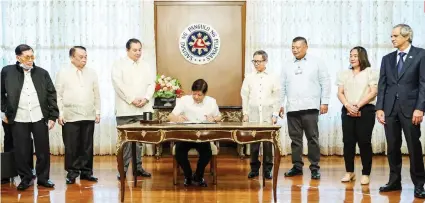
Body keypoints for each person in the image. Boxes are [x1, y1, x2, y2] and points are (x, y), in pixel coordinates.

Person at [376, 24, 425, 198]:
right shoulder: (387, 58)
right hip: (389, 110)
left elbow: (423, 84)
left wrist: (420, 108)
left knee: (414, 147)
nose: (392, 39)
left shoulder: (420, 54)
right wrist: (379, 108)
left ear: (407, 36)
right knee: (392, 147)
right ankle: (394, 181)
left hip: (411, 110)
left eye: (395, 36)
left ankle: (419, 184)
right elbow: (382, 85)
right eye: (391, 36)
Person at [1, 44, 58, 190]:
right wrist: (4, 111)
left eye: (32, 56)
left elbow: (52, 94)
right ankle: (26, 178)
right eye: (27, 57)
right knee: (22, 150)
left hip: (39, 116)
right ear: (18, 57)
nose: (30, 60)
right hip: (18, 117)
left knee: (42, 149)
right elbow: (1, 94)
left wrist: (53, 116)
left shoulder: (42, 73)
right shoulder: (7, 71)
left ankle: (43, 178)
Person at [280, 37, 330, 180]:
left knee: (312, 138)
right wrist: (280, 104)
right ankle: (297, 167)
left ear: (306, 47)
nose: (294, 50)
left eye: (298, 47)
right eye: (292, 47)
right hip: (292, 108)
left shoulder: (317, 62)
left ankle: (314, 168)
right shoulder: (287, 65)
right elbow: (282, 86)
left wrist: (324, 102)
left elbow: (325, 82)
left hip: (310, 107)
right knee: (295, 140)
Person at [56, 46, 101, 184]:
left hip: (88, 114)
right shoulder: (63, 73)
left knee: (87, 145)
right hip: (70, 115)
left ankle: (87, 172)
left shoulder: (92, 73)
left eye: (85, 56)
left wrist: (97, 111)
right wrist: (60, 113)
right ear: (72, 58)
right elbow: (58, 95)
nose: (84, 59)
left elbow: (96, 94)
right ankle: (72, 172)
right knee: (72, 145)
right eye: (81, 57)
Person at [112, 38, 153, 179]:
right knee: (126, 142)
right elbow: (118, 85)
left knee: (139, 142)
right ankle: (122, 170)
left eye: (140, 49)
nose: (138, 52)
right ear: (127, 50)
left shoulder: (146, 65)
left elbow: (151, 83)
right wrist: (132, 99)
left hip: (142, 109)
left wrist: (146, 98)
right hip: (125, 109)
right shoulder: (119, 65)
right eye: (135, 50)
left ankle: (138, 168)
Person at [336, 46, 378, 185]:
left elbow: (373, 92)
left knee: (364, 142)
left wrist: (358, 105)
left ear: (362, 57)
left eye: (355, 55)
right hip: (347, 109)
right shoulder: (344, 73)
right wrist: (348, 105)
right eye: (351, 55)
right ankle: (349, 172)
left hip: (366, 110)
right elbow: (340, 92)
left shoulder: (370, 72)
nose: (352, 58)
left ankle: (366, 173)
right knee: (348, 142)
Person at [168, 79, 221, 187]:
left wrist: (214, 119)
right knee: (179, 152)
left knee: (207, 153)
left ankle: (198, 176)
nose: (196, 97)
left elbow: (220, 117)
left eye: (199, 95)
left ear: (205, 94)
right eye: (194, 94)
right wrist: (177, 118)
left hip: (202, 136)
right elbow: (170, 116)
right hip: (186, 135)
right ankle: (188, 176)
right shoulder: (184, 100)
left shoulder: (211, 101)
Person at [240, 50, 280, 179]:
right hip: (253, 114)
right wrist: (245, 113)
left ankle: (268, 169)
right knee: (254, 143)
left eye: (259, 61)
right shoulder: (249, 77)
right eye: (254, 61)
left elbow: (277, 97)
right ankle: (254, 169)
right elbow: (244, 96)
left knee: (268, 144)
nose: (256, 64)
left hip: (268, 115)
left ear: (266, 61)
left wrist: (275, 114)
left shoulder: (273, 76)